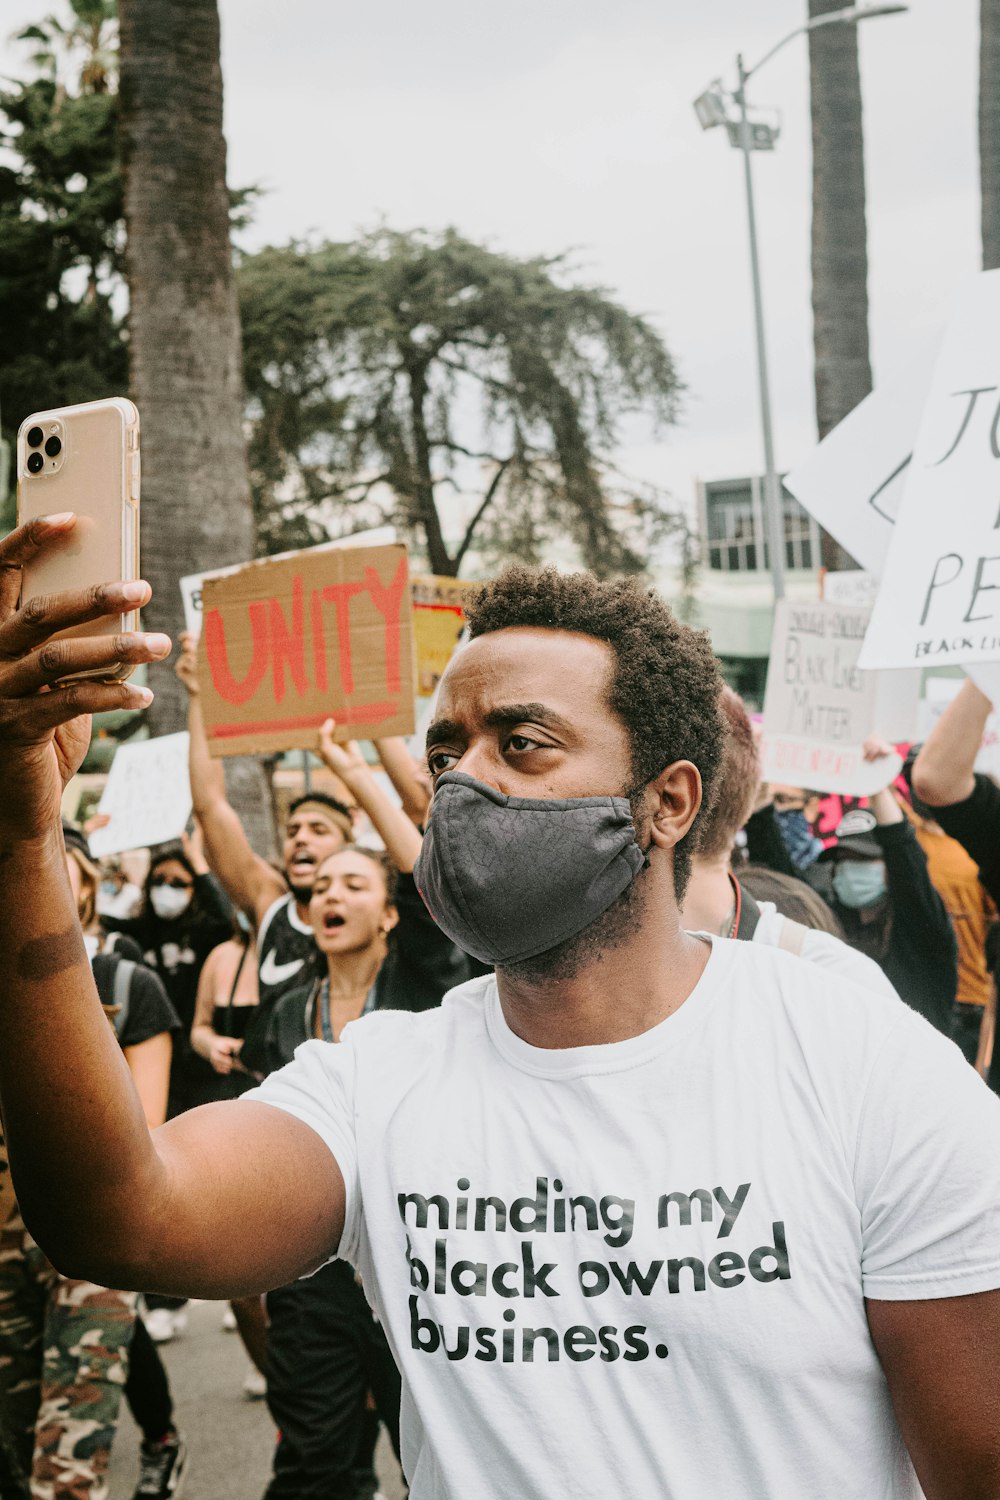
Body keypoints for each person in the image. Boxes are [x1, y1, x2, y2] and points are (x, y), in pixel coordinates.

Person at [5, 527, 1000, 1499]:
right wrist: (21, 836)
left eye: (522, 744)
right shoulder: (377, 1082)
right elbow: (124, 1220)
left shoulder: (854, 1064)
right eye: (447, 753)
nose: (464, 783)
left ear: (669, 801)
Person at [248, 722, 468, 1500]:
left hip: (422, 1255)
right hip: (313, 1265)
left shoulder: (430, 985)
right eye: (318, 888)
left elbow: (425, 871)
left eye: (353, 883)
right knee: (314, 1459)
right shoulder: (282, 1014)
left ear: (390, 915)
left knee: (431, 1456)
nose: (329, 894)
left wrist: (359, 763)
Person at [0, 821, 185, 1500]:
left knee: (67, 1458)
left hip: (87, 1239)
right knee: (14, 1454)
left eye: (52, 862)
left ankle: (159, 1439)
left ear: (84, 880)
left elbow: (147, 1130)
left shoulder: (128, 982)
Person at [176, 632, 356, 1012]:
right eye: (292, 831)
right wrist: (200, 698)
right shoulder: (271, 902)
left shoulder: (378, 914)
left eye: (318, 830)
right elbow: (210, 806)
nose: (300, 839)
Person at [681, 688, 897, 995]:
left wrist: (877, 784)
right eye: (776, 800)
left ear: (674, 799)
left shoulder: (837, 979)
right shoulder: (849, 978)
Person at [810, 738, 958, 1037]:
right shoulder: (831, 926)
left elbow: (905, 856)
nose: (851, 870)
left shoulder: (922, 932)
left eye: (863, 860)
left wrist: (877, 786)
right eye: (844, 860)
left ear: (889, 868)